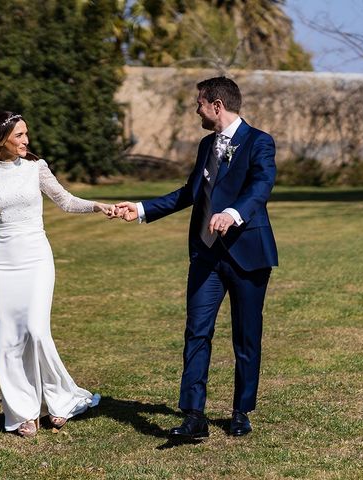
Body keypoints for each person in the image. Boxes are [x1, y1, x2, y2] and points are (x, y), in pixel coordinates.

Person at [116, 77, 278, 438]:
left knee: (246, 336)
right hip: (206, 256)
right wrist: (142, 209)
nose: (197, 110)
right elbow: (189, 193)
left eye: (200, 104)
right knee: (196, 333)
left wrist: (233, 213)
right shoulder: (207, 145)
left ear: (217, 105)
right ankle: (194, 416)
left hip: (248, 256)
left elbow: (260, 187)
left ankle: (240, 411)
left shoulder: (259, 142)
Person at [0, 111, 114, 437]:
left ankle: (61, 402)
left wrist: (97, 205)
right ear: (1, 137)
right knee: (8, 340)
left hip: (36, 259)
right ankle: (23, 412)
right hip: (2, 265)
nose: (26, 141)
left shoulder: (37, 168)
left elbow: (65, 201)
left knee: (36, 331)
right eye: (19, 135)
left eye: (26, 134)